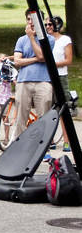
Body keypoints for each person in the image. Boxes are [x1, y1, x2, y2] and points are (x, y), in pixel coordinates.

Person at [13, 9, 54, 137]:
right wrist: (36, 59)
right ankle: (19, 145)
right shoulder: (21, 40)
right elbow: (17, 61)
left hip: (43, 81)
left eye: (33, 19)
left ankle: (43, 146)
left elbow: (42, 56)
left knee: (43, 115)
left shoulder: (49, 39)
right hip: (24, 81)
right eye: (28, 19)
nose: (30, 22)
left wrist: (31, 38)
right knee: (21, 116)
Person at [46, 15, 73, 151]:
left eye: (51, 24)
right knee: (49, 110)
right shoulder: (44, 40)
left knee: (63, 109)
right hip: (46, 77)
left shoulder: (64, 40)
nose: (48, 27)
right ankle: (50, 140)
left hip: (60, 77)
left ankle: (67, 141)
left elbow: (68, 60)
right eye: (46, 25)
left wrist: (52, 64)